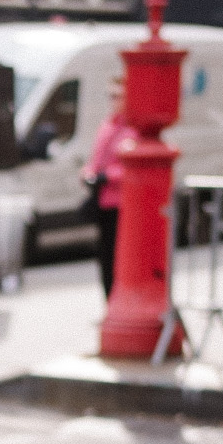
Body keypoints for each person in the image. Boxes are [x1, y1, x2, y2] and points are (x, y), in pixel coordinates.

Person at [83, 78, 131, 298]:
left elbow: (132, 166)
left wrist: (106, 176)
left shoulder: (132, 129)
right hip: (103, 201)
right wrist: (89, 173)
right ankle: (109, 301)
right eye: (110, 95)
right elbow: (96, 159)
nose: (112, 101)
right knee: (105, 257)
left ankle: (118, 300)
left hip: (121, 203)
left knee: (120, 256)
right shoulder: (107, 125)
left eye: (117, 96)